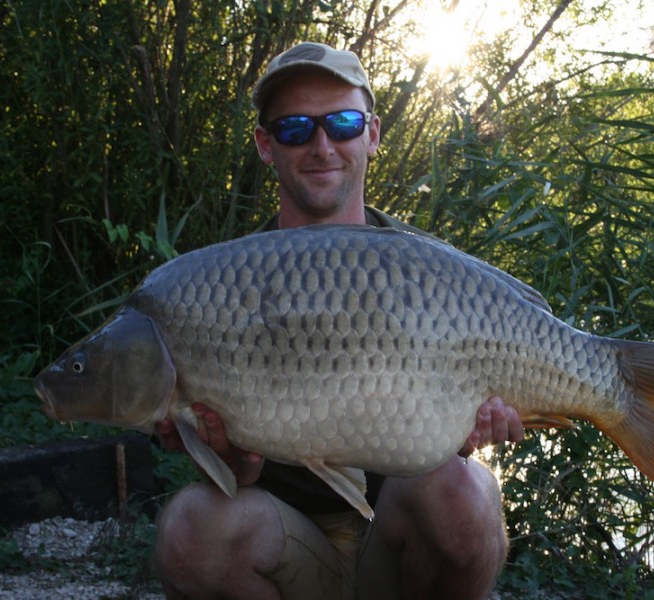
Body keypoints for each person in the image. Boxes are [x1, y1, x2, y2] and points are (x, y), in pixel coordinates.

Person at [153, 41, 525, 600]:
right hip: (286, 544)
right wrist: (230, 458)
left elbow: (445, 450)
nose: (322, 146)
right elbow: (239, 482)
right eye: (296, 128)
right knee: (190, 529)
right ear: (265, 144)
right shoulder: (223, 286)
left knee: (463, 495)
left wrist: (467, 432)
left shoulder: (428, 273)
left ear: (371, 134)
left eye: (343, 123)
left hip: (396, 539)